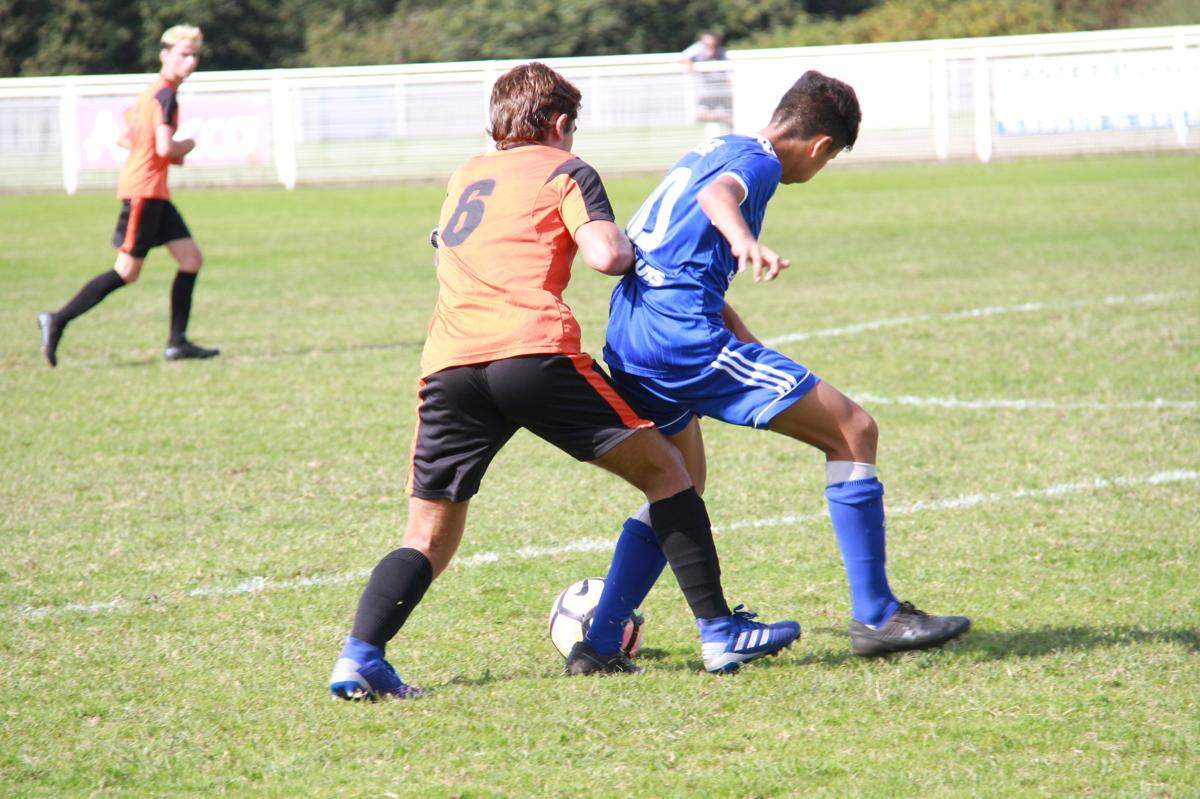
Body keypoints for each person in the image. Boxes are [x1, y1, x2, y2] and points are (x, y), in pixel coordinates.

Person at [328, 63, 799, 701]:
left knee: (426, 536)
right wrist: (634, 249)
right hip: (533, 357)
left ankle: (360, 657)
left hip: (449, 367)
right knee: (669, 474)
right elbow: (606, 255)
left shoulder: (465, 174)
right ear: (558, 124)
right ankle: (718, 630)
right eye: (572, 128)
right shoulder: (566, 170)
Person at [582, 71, 971, 662]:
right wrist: (745, 241)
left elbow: (679, 256)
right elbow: (718, 202)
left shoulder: (716, 146)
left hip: (631, 332)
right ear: (820, 148)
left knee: (677, 483)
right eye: (830, 159)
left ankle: (602, 638)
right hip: (682, 340)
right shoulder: (760, 164)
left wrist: (745, 335)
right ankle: (878, 617)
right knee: (853, 430)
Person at [37, 24, 218, 366]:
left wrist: (161, 152)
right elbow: (164, 147)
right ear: (165, 55)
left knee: (191, 259)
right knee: (126, 271)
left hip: (154, 191)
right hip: (144, 192)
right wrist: (188, 145)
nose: (190, 62)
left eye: (194, 55)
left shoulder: (151, 93)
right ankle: (57, 319)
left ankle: (177, 343)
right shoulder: (164, 95)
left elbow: (125, 138)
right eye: (183, 55)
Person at [678, 30, 732, 129]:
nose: (710, 49)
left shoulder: (722, 53)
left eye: (713, 46)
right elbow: (682, 57)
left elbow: (729, 76)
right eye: (707, 45)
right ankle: (720, 117)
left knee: (731, 118)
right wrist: (690, 65)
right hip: (705, 92)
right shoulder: (698, 49)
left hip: (721, 92)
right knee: (699, 115)